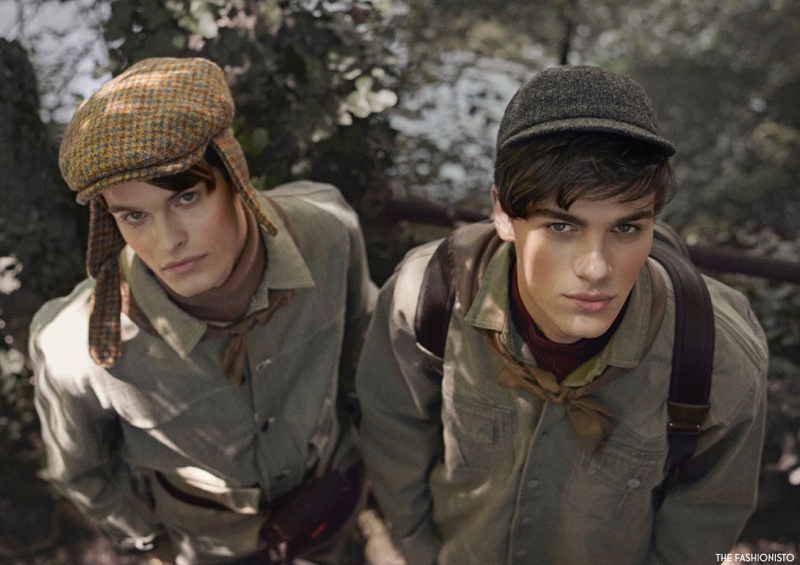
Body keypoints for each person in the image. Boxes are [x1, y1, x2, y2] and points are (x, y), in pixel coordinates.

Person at [355, 65, 769, 565]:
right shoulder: (427, 298)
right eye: (561, 227)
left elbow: (703, 526)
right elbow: (394, 440)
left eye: (626, 229)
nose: (595, 269)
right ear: (504, 215)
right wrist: (421, 552)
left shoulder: (717, 358)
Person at [30, 57, 375, 565]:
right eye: (134, 216)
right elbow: (79, 472)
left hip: (329, 499)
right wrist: (152, 545)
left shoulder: (328, 232)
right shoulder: (74, 349)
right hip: (214, 549)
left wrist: (366, 467)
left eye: (187, 197)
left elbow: (364, 354)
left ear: (236, 177)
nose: (168, 241)